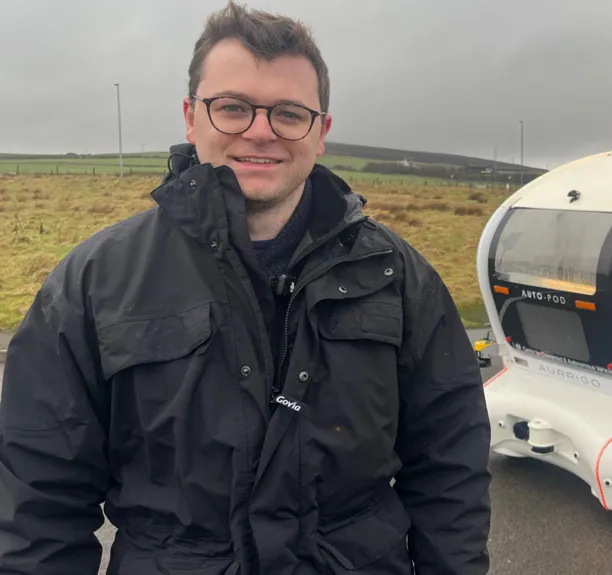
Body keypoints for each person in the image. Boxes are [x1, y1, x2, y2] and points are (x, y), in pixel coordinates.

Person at [0, 2, 492, 574]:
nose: (261, 131)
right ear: (190, 116)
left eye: (288, 112)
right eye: (232, 107)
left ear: (322, 131)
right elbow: (40, 501)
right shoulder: (91, 285)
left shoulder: (400, 278)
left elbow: (449, 469)